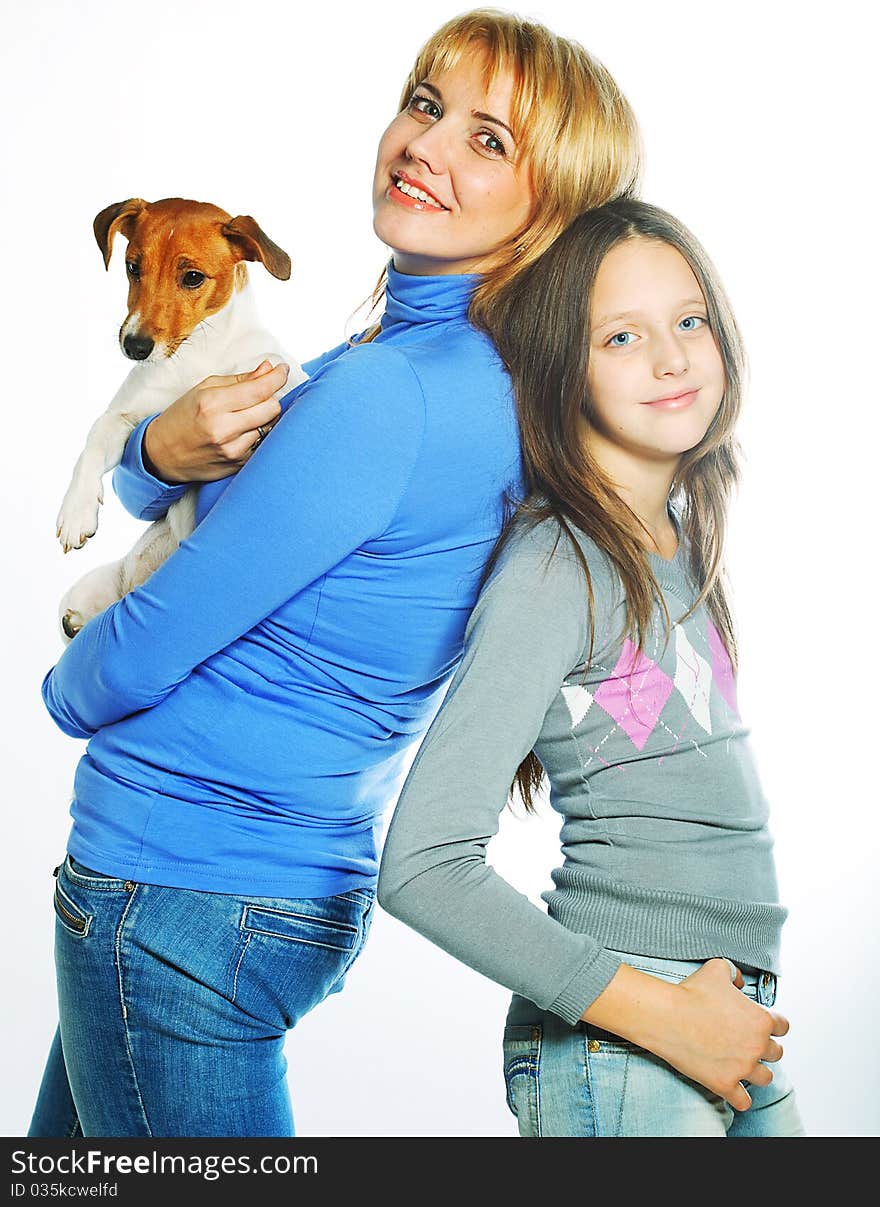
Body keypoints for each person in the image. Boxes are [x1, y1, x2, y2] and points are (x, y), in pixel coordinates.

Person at [29, 10, 641, 1137]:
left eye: (489, 140)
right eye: (424, 104)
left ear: (552, 206)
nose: (428, 144)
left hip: (179, 891)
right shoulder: (453, 373)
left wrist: (65, 689)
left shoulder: (382, 395)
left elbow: (149, 637)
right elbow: (195, 461)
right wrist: (149, 456)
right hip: (262, 881)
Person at [377, 198, 805, 1138]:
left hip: (730, 1022)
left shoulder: (678, 543)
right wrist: (667, 1020)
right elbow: (420, 866)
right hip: (628, 1041)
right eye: (621, 336)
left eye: (688, 320)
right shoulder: (553, 568)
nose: (671, 357)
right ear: (563, 371)